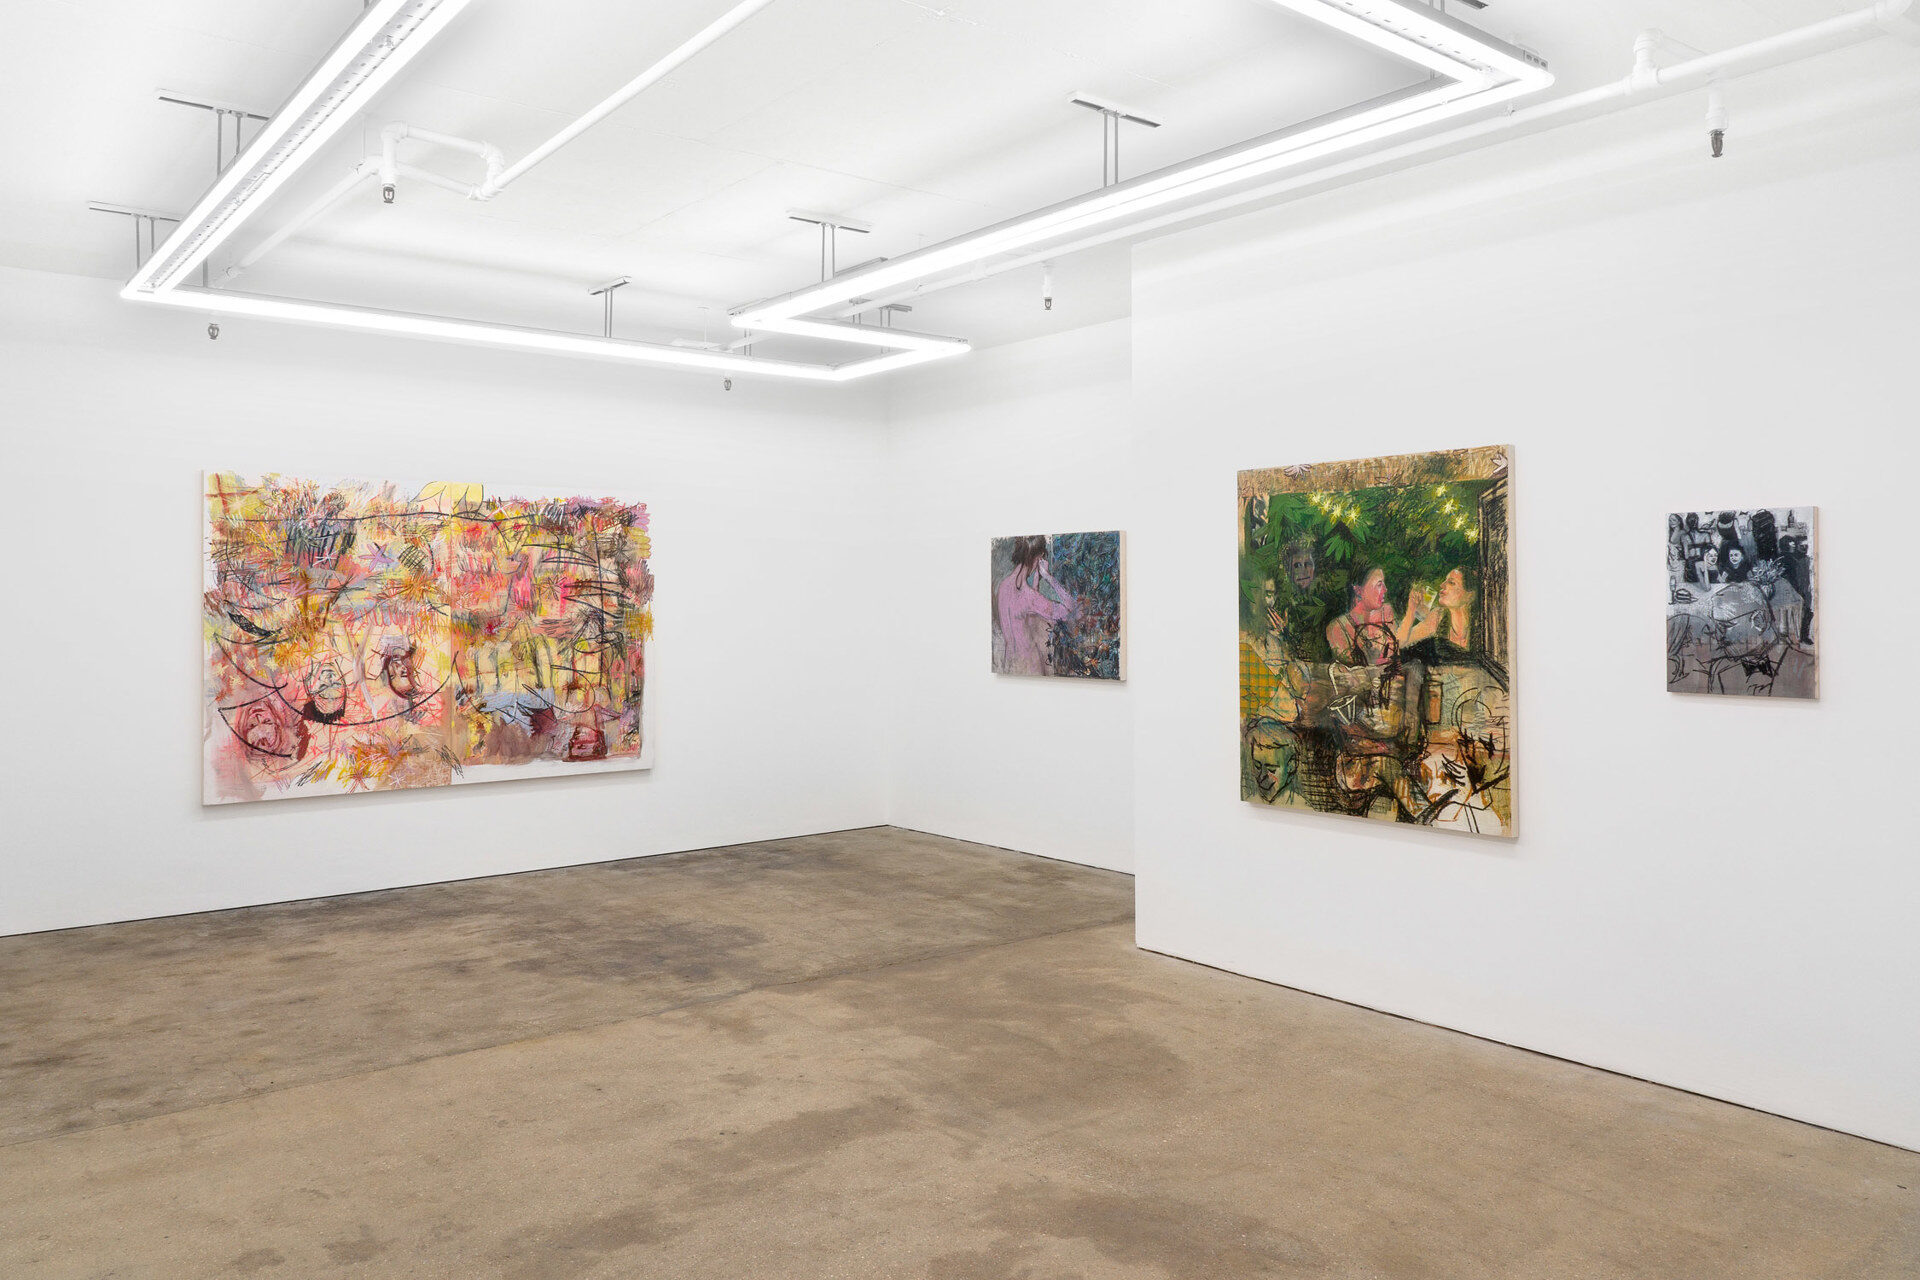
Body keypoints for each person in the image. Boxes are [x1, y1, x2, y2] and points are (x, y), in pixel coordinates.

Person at [995, 536, 1077, 676]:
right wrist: (1048, 576)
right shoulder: (1029, 597)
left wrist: (1036, 579)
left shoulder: (1003, 587)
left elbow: (1026, 615)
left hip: (1009, 666)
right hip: (1030, 668)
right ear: (1039, 557)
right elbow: (1072, 609)